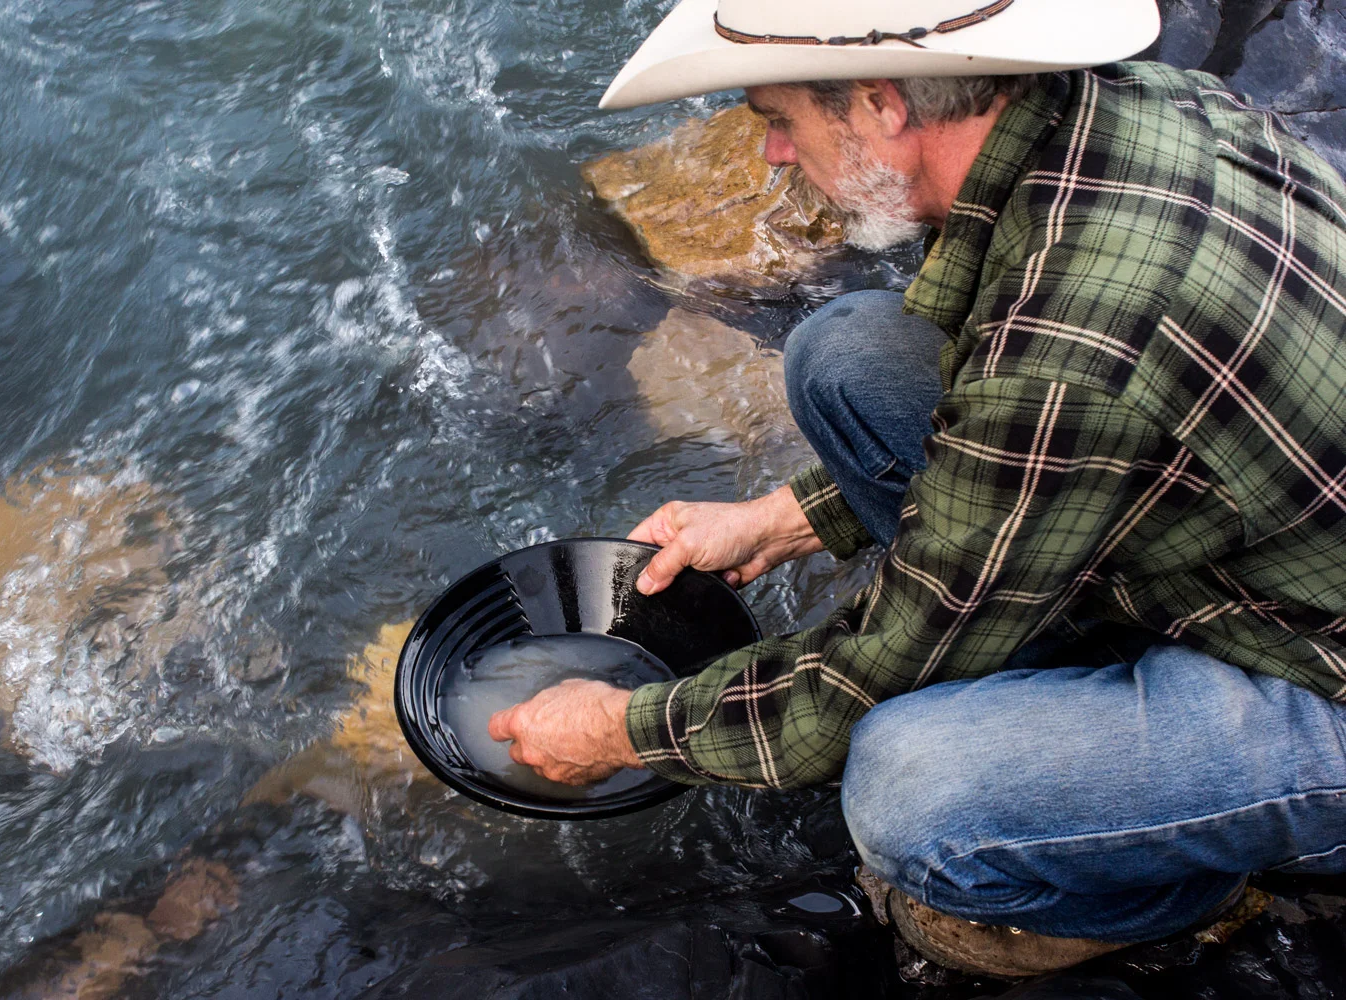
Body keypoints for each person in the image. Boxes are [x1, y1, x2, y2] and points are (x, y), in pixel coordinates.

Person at [487, 0, 1346, 979]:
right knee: (844, 352)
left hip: (1319, 682)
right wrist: (788, 517)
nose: (767, 152)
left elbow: (873, 670)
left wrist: (623, 728)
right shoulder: (1130, 103)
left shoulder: (1072, 339)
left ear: (884, 103)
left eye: (779, 116)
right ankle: (1087, 694)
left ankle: (1164, 886)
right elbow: (1040, 440)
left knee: (909, 786)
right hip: (1261, 535)